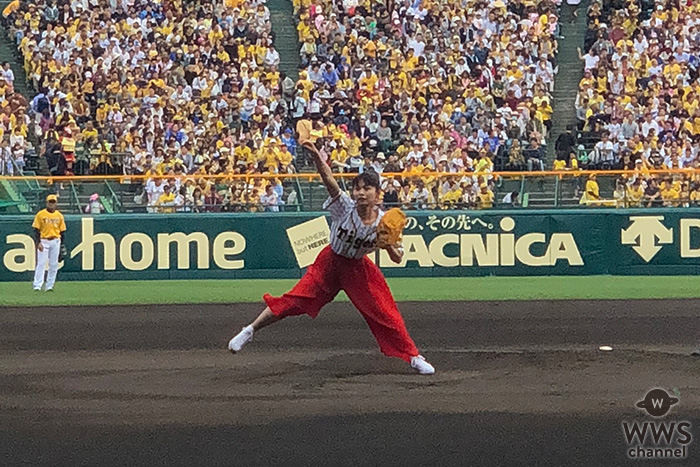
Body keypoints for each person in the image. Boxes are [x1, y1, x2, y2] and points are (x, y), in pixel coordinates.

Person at [227, 141, 435, 375]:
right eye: (357, 188)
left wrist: (387, 246)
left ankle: (413, 356)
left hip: (358, 269)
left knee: (385, 313)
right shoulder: (345, 207)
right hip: (330, 262)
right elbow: (331, 183)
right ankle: (250, 330)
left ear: (378, 194)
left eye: (367, 188)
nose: (360, 193)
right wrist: (317, 158)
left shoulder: (384, 221)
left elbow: (397, 258)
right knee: (295, 300)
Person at [32, 194, 66, 292]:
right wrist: (38, 242)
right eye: (50, 202)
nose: (51, 204)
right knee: (41, 263)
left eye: (53, 202)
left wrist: (62, 245)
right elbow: (36, 230)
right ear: (46, 203)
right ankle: (37, 285)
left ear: (56, 203)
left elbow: (62, 231)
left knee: (54, 264)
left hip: (55, 240)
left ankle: (49, 286)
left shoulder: (59, 215)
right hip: (44, 240)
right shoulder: (40, 214)